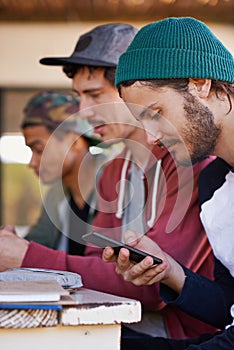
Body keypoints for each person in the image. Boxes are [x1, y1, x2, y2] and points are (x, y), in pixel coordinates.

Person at [0, 23, 216, 339]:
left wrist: (26, 257)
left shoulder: (189, 162)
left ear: (133, 86)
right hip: (131, 324)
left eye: (95, 94)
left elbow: (153, 288)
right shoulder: (114, 170)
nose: (85, 112)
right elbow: (95, 262)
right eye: (79, 96)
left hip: (186, 336)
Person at [102, 17, 234, 349]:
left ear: (200, 83)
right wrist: (171, 272)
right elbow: (228, 309)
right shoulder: (215, 184)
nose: (151, 136)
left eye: (155, 113)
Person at [21, 90, 102, 255]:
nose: (32, 163)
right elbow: (35, 244)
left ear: (75, 141)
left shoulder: (119, 185)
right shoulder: (55, 196)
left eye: (39, 149)